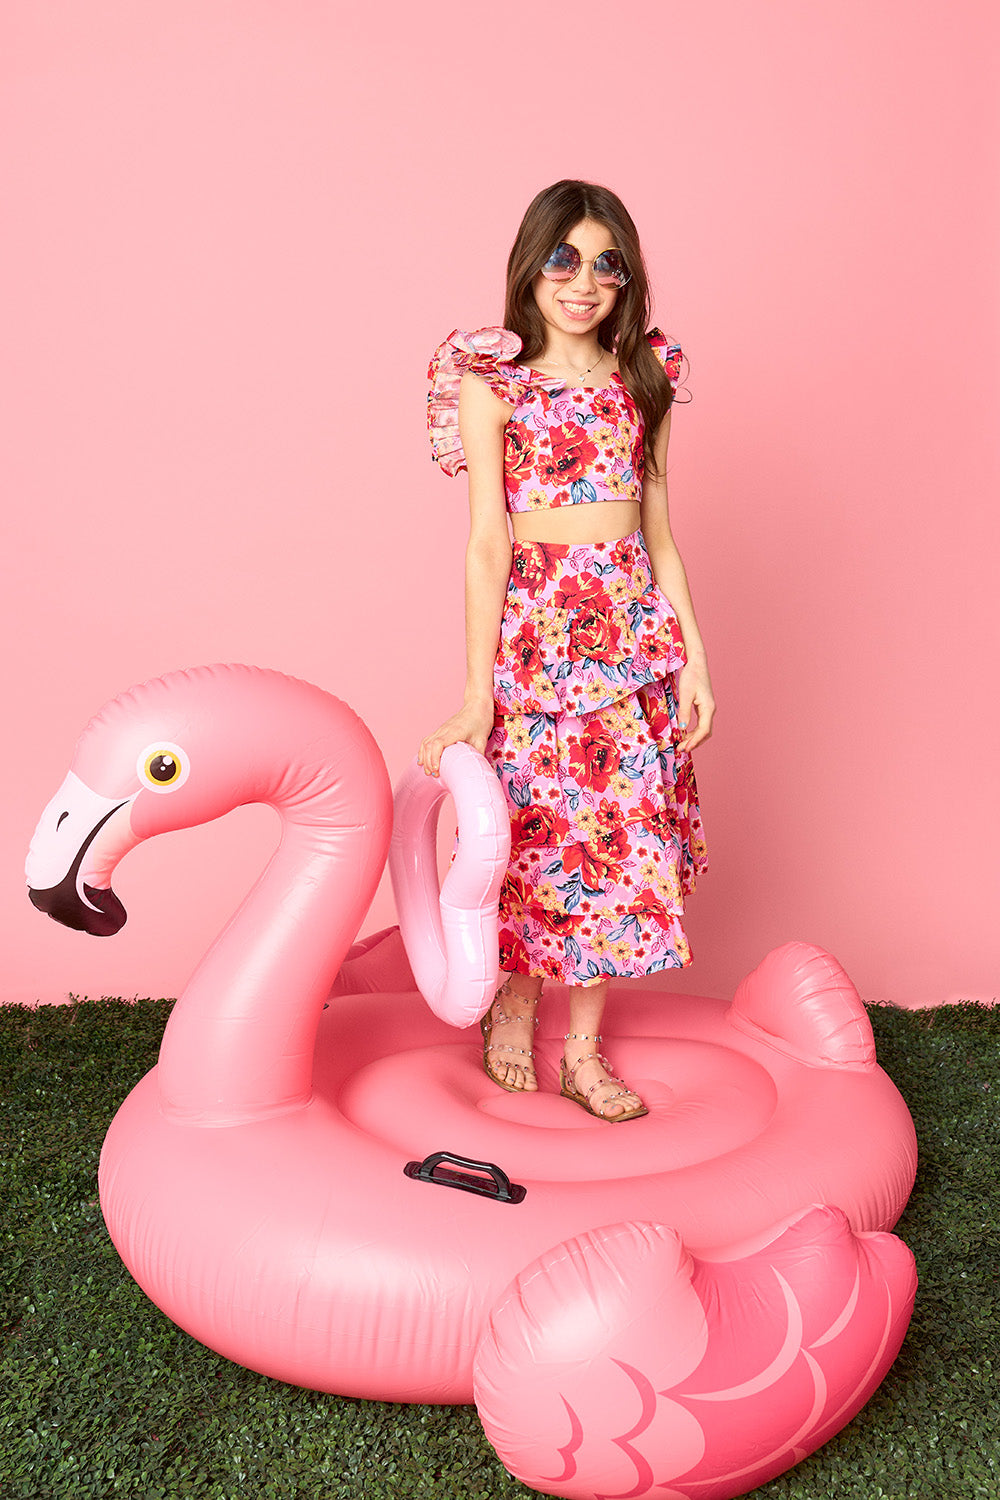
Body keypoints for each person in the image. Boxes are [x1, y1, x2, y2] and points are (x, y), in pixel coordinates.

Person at [419, 180, 713, 1122]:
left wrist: (695, 660)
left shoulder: (645, 377)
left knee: (619, 839)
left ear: (626, 279)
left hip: (632, 640)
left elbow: (660, 533)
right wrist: (477, 695)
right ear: (530, 265)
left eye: (605, 264)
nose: (583, 282)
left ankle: (584, 1051)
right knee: (539, 830)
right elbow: (487, 544)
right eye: (564, 259)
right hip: (538, 638)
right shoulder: (492, 381)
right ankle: (514, 1007)